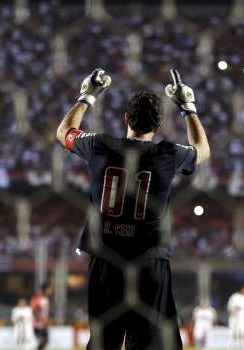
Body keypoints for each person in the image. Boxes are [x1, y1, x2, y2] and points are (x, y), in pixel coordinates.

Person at [56, 68, 210, 350]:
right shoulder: (167, 154)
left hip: (106, 260)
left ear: (125, 119)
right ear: (160, 124)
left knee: (105, 342)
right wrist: (188, 107)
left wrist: (87, 96)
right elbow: (202, 150)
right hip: (149, 263)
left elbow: (64, 132)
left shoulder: (99, 145)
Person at [30, 282, 53, 350]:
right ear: (45, 289)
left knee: (45, 341)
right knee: (42, 341)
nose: (51, 291)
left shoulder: (46, 299)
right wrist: (41, 320)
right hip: (37, 325)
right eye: (50, 289)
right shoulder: (38, 298)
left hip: (43, 324)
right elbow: (34, 310)